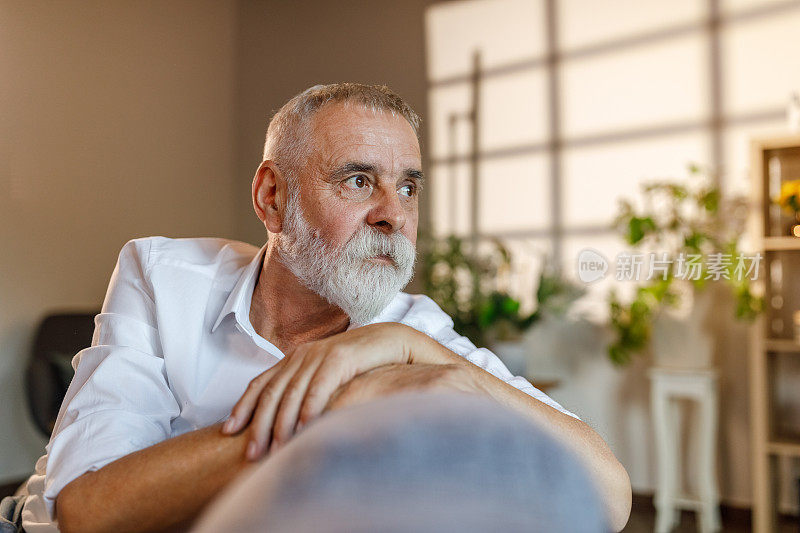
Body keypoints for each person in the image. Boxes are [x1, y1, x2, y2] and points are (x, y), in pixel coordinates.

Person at [18, 83, 631, 533]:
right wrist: (330, 412)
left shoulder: (414, 330)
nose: (394, 214)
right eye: (359, 180)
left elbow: (609, 495)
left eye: (410, 186)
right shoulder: (161, 276)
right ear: (272, 197)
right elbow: (87, 512)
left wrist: (421, 358)